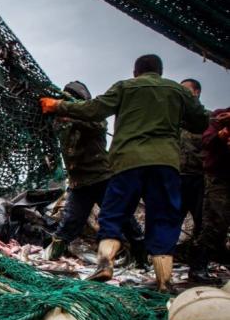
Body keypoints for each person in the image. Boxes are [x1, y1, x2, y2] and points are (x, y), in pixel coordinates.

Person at [40, 54, 208, 291]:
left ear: (135, 72)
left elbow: (95, 110)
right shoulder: (176, 91)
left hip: (126, 163)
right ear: (160, 71)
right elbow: (201, 122)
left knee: (114, 215)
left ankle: (106, 264)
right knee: (164, 219)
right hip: (165, 164)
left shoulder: (125, 87)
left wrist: (58, 105)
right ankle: (163, 281)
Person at [45, 81, 146, 268]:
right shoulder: (60, 123)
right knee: (69, 223)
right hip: (79, 183)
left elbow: (97, 125)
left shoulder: (94, 117)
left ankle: (142, 260)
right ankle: (49, 258)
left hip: (103, 179)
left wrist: (72, 116)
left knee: (124, 219)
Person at [190, 108, 230, 282]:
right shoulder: (221, 117)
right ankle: (198, 266)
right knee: (215, 221)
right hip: (220, 178)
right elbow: (206, 141)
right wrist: (220, 136)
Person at [178, 79, 206, 271]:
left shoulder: (208, 120)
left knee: (203, 224)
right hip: (177, 178)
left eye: (186, 91)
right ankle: (162, 268)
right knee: (169, 222)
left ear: (196, 93)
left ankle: (198, 267)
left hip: (201, 180)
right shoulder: (173, 121)